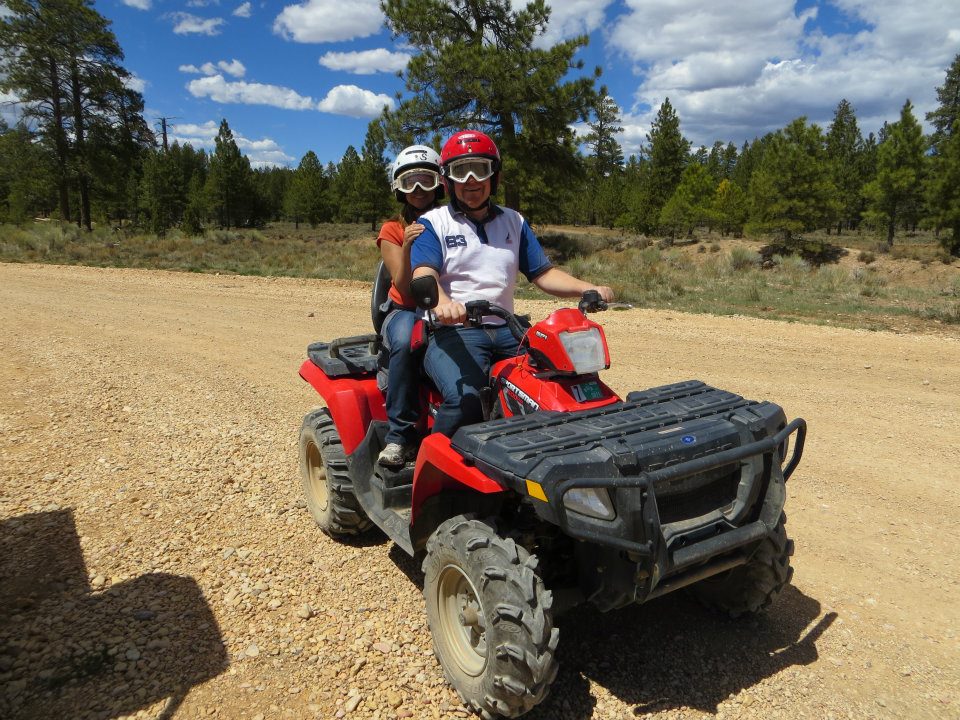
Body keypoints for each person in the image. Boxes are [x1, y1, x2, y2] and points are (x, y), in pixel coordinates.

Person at [410, 130, 614, 437]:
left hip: (507, 330)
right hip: (453, 331)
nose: (470, 180)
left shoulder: (513, 221)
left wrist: (588, 287)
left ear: (494, 176)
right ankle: (435, 470)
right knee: (466, 399)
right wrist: (443, 305)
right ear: (447, 181)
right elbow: (423, 274)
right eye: (459, 172)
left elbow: (543, 274)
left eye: (479, 169)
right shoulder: (433, 223)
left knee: (558, 383)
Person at [376, 145, 445, 467]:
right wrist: (406, 245)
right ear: (399, 189)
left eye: (426, 181)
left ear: (439, 184)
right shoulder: (392, 229)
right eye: (410, 183)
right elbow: (403, 286)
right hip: (404, 308)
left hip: (443, 304)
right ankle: (399, 436)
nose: (418, 190)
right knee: (405, 341)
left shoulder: (450, 221)